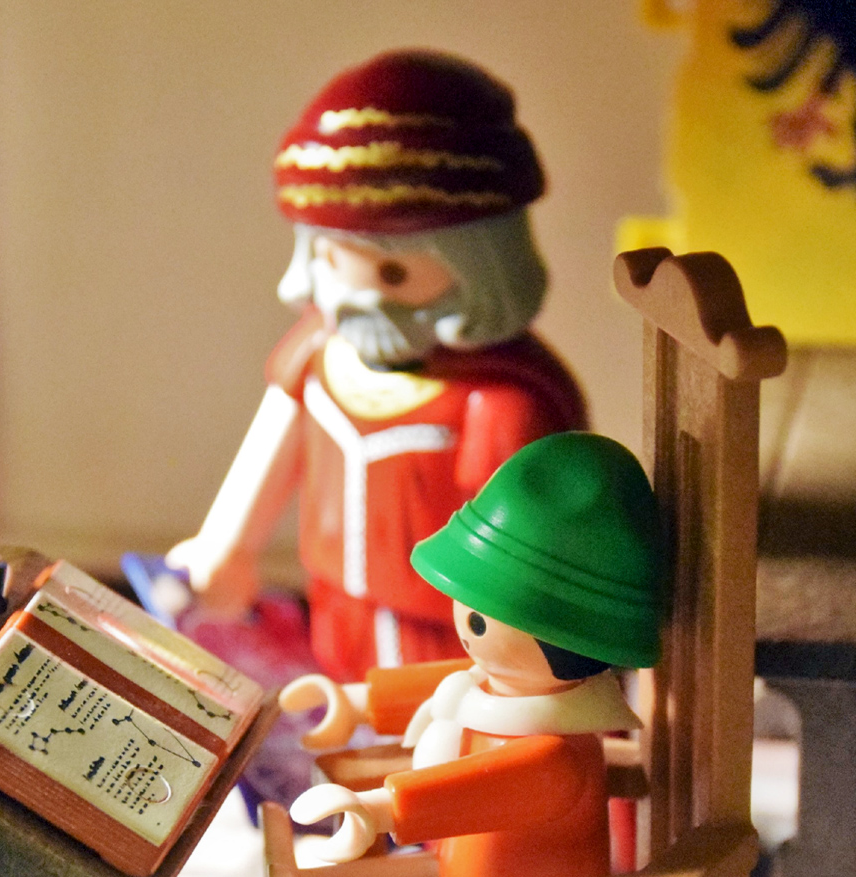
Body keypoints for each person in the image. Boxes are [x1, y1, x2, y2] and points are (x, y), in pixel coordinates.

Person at [167, 49, 586, 682]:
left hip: (455, 636)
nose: (359, 297)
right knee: (342, 714)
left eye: (393, 273)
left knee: (435, 730)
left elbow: (520, 553)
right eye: (335, 262)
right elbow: (270, 451)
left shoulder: (499, 401)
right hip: (336, 611)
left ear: (479, 266)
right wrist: (228, 547)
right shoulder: (318, 356)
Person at [280, 432, 668, 877]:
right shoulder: (498, 686)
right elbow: (447, 690)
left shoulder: (555, 761)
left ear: (561, 641)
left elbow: (476, 792)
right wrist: (352, 704)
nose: (464, 628)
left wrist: (378, 810)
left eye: (479, 620)